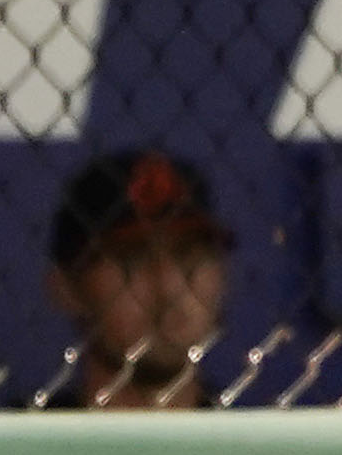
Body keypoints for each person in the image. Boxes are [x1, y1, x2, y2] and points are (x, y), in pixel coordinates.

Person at [42, 148, 232, 409]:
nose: (169, 287)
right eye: (132, 259)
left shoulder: (257, 445)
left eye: (187, 255)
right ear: (66, 288)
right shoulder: (14, 446)